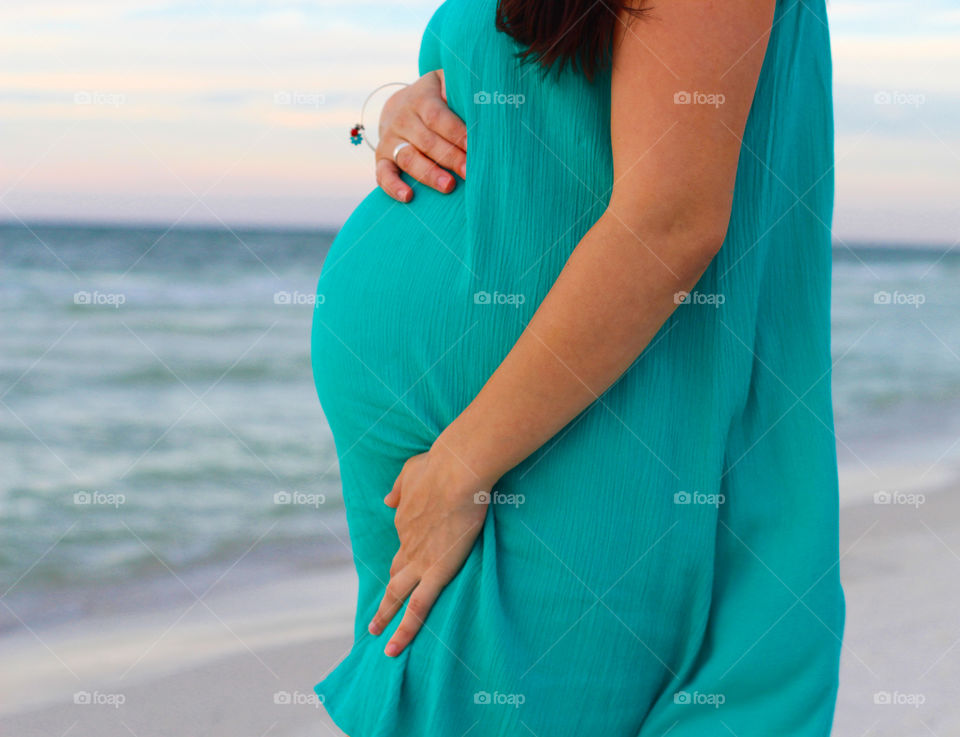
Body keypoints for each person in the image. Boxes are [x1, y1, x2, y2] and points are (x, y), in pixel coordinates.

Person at [311, 0, 844, 734]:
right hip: (481, 461)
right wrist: (399, 113)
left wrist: (463, 466)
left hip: (559, 452)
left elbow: (671, 219)